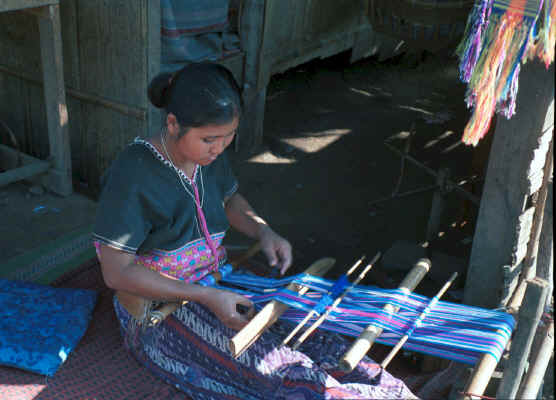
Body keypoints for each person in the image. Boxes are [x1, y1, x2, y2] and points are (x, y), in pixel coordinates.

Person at [93, 62, 417, 399]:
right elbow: (117, 273)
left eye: (228, 136)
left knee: (324, 345)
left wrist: (264, 231)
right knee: (286, 374)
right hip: (160, 310)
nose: (219, 148)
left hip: (221, 282)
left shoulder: (206, 156)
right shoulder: (132, 174)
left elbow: (230, 198)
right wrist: (204, 295)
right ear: (173, 124)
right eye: (209, 139)